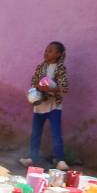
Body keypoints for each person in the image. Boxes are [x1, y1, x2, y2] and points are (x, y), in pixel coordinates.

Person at [19, 41, 70, 170]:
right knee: (35, 133)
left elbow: (64, 88)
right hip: (40, 105)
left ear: (58, 54)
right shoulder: (40, 67)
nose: (46, 53)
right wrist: (39, 87)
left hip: (54, 106)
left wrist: (50, 89)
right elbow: (34, 82)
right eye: (46, 50)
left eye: (50, 51)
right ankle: (32, 158)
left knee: (56, 133)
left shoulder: (61, 68)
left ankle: (60, 160)